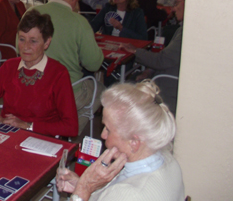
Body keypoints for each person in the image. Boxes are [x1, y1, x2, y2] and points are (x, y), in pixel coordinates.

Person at [56, 81, 184, 201]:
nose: (102, 135)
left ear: (134, 142)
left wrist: (83, 189)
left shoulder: (128, 194)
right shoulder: (168, 160)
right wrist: (82, 185)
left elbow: (121, 194)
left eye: (108, 129)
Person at [0, 10, 79, 138]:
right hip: (7, 136)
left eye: (33, 41)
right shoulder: (10, 67)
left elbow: (71, 127)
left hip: (40, 140)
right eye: (22, 39)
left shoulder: (58, 73)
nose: (26, 47)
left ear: (47, 42)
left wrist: (28, 125)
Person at [32, 0, 104, 134]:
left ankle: (56, 127)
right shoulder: (79, 22)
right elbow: (93, 64)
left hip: (32, 85)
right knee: (100, 90)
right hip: (68, 90)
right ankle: (68, 129)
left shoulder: (31, 13)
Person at [121, 0, 185, 115]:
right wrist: (148, 70)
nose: (173, 8)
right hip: (163, 76)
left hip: (168, 87)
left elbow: (163, 60)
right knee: (132, 80)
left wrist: (136, 51)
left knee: (126, 88)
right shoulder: (182, 29)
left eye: (176, 3)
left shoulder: (185, 32)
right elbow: (167, 58)